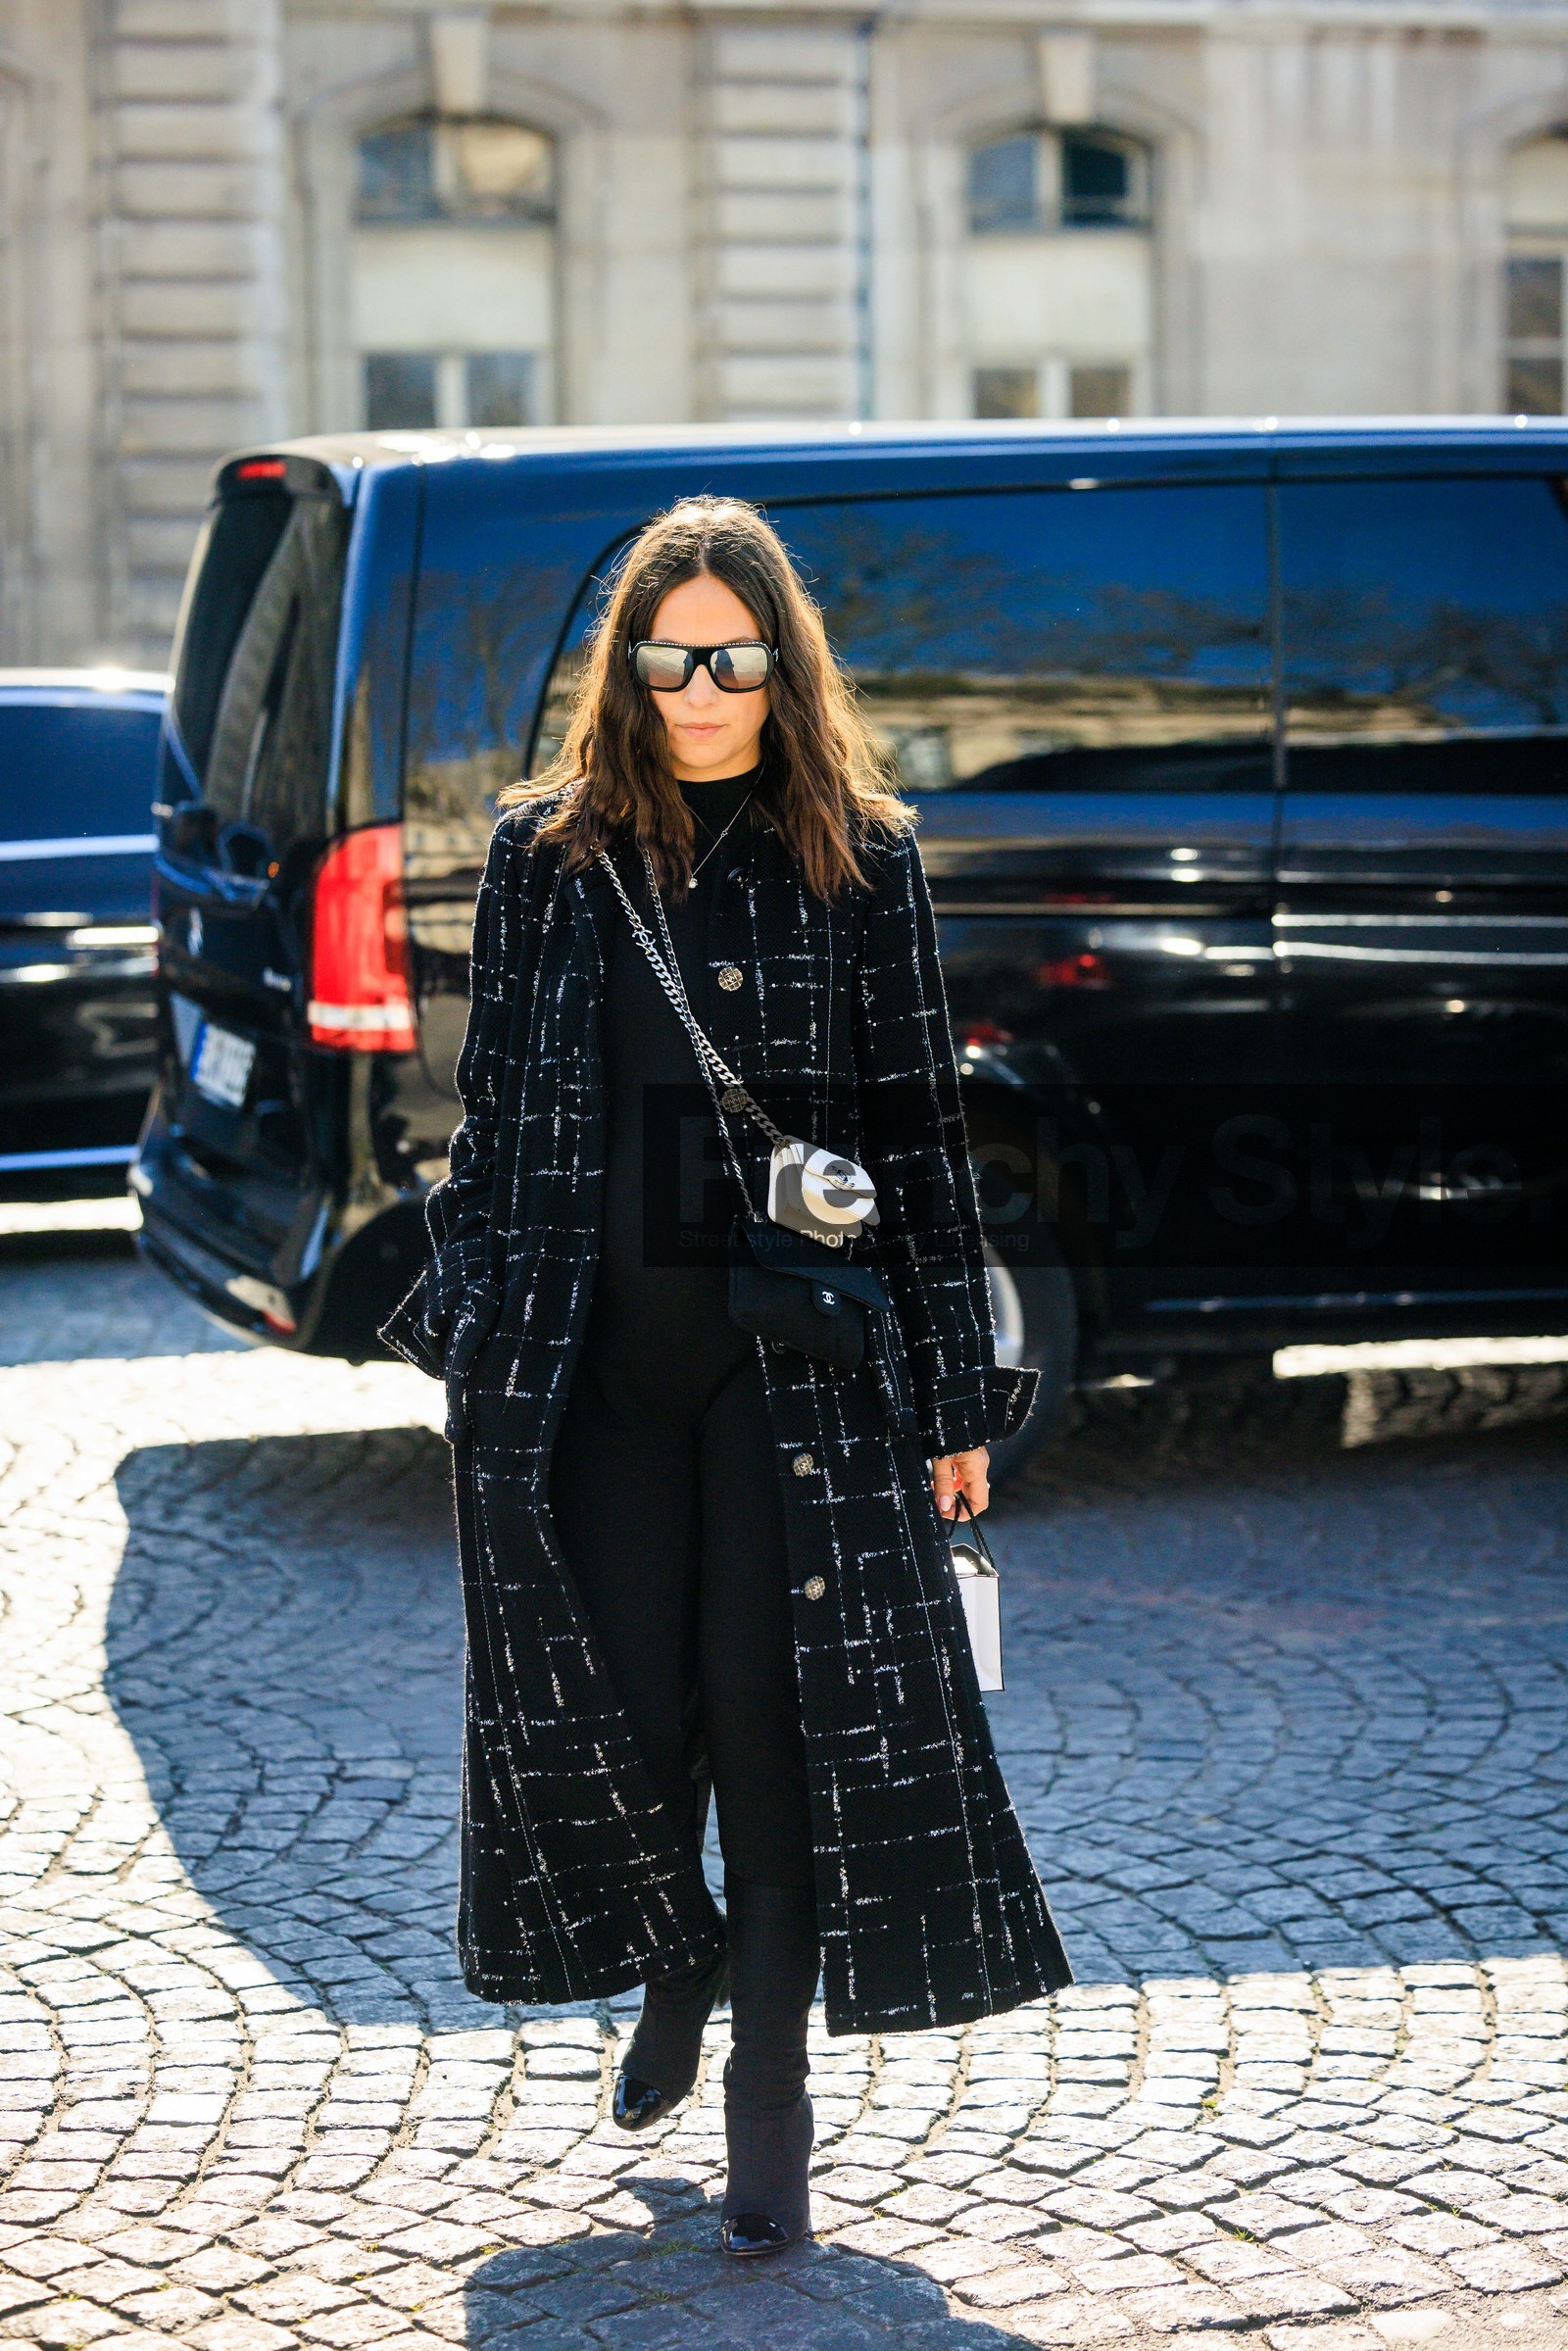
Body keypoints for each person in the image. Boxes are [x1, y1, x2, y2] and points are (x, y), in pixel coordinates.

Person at [382, 495, 1071, 2258]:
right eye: (672, 652)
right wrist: (462, 1328)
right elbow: (498, 1127)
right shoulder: (550, 853)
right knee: (601, 1716)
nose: (702, 686)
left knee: (770, 1738)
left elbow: (917, 1147)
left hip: (796, 1380)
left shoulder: (861, 852)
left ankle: (772, 2126)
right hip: (592, 1372)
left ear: (783, 661)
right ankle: (668, 1956)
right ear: (631, 661)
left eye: (735, 654)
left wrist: (948, 1405)